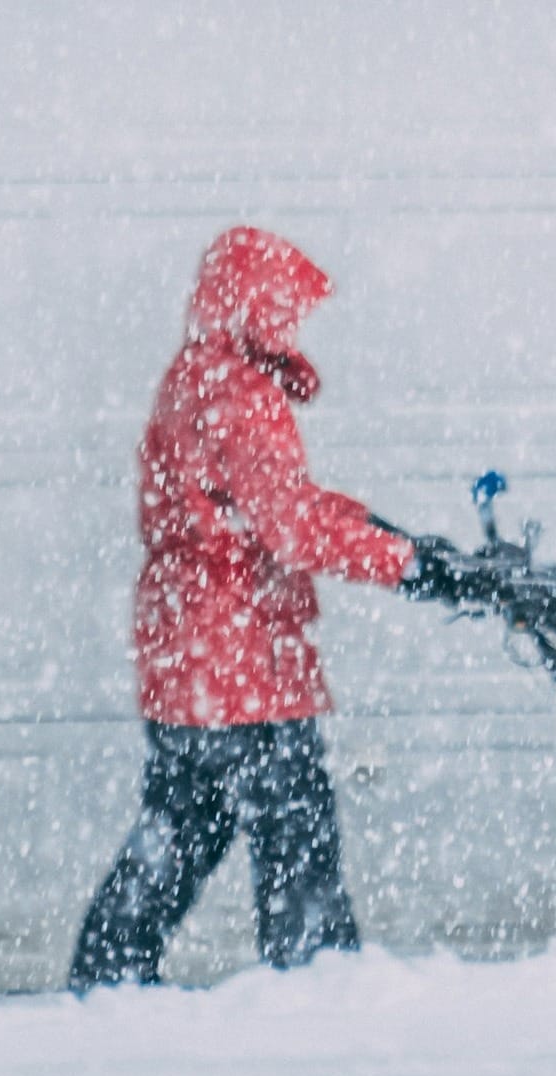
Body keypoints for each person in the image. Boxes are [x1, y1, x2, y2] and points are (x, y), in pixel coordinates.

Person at [69, 226, 452, 991]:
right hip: (245, 666)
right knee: (296, 837)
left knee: (180, 827)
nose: (293, 326)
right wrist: (408, 566)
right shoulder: (244, 395)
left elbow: (266, 504)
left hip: (187, 659)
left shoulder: (191, 379)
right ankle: (318, 991)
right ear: (255, 304)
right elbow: (290, 527)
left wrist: (376, 527)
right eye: (285, 309)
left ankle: (104, 978)